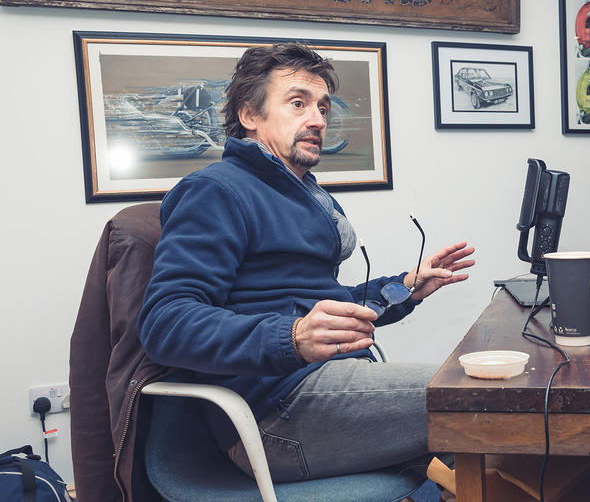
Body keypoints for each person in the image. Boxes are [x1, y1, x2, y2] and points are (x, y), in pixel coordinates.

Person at [138, 42, 475, 483]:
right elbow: (166, 323)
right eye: (298, 103)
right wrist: (292, 338)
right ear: (250, 115)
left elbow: (322, 308)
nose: (317, 119)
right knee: (491, 399)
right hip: (273, 417)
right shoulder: (215, 191)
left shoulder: (307, 196)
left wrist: (406, 287)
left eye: (322, 107)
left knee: (497, 404)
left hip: (329, 381)